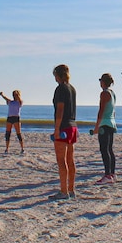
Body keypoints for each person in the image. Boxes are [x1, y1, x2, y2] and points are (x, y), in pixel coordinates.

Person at [50, 64, 77, 199]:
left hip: (64, 127)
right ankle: (71, 189)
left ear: (58, 75)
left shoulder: (61, 89)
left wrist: (56, 128)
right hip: (72, 126)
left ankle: (63, 191)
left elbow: (60, 109)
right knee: (70, 160)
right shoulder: (72, 89)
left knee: (61, 160)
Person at [93, 73, 117, 184]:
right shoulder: (112, 93)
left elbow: (101, 111)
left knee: (104, 149)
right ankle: (112, 173)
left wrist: (96, 126)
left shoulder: (104, 93)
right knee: (109, 149)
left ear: (103, 82)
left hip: (105, 124)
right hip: (111, 123)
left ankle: (107, 175)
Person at [0, 90, 25, 154]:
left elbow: (19, 99)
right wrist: (2, 95)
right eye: (13, 94)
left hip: (16, 118)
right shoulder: (10, 102)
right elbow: (5, 98)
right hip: (10, 118)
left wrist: (17, 95)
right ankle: (7, 149)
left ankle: (22, 148)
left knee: (18, 134)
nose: (14, 96)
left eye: (15, 94)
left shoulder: (19, 102)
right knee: (8, 134)